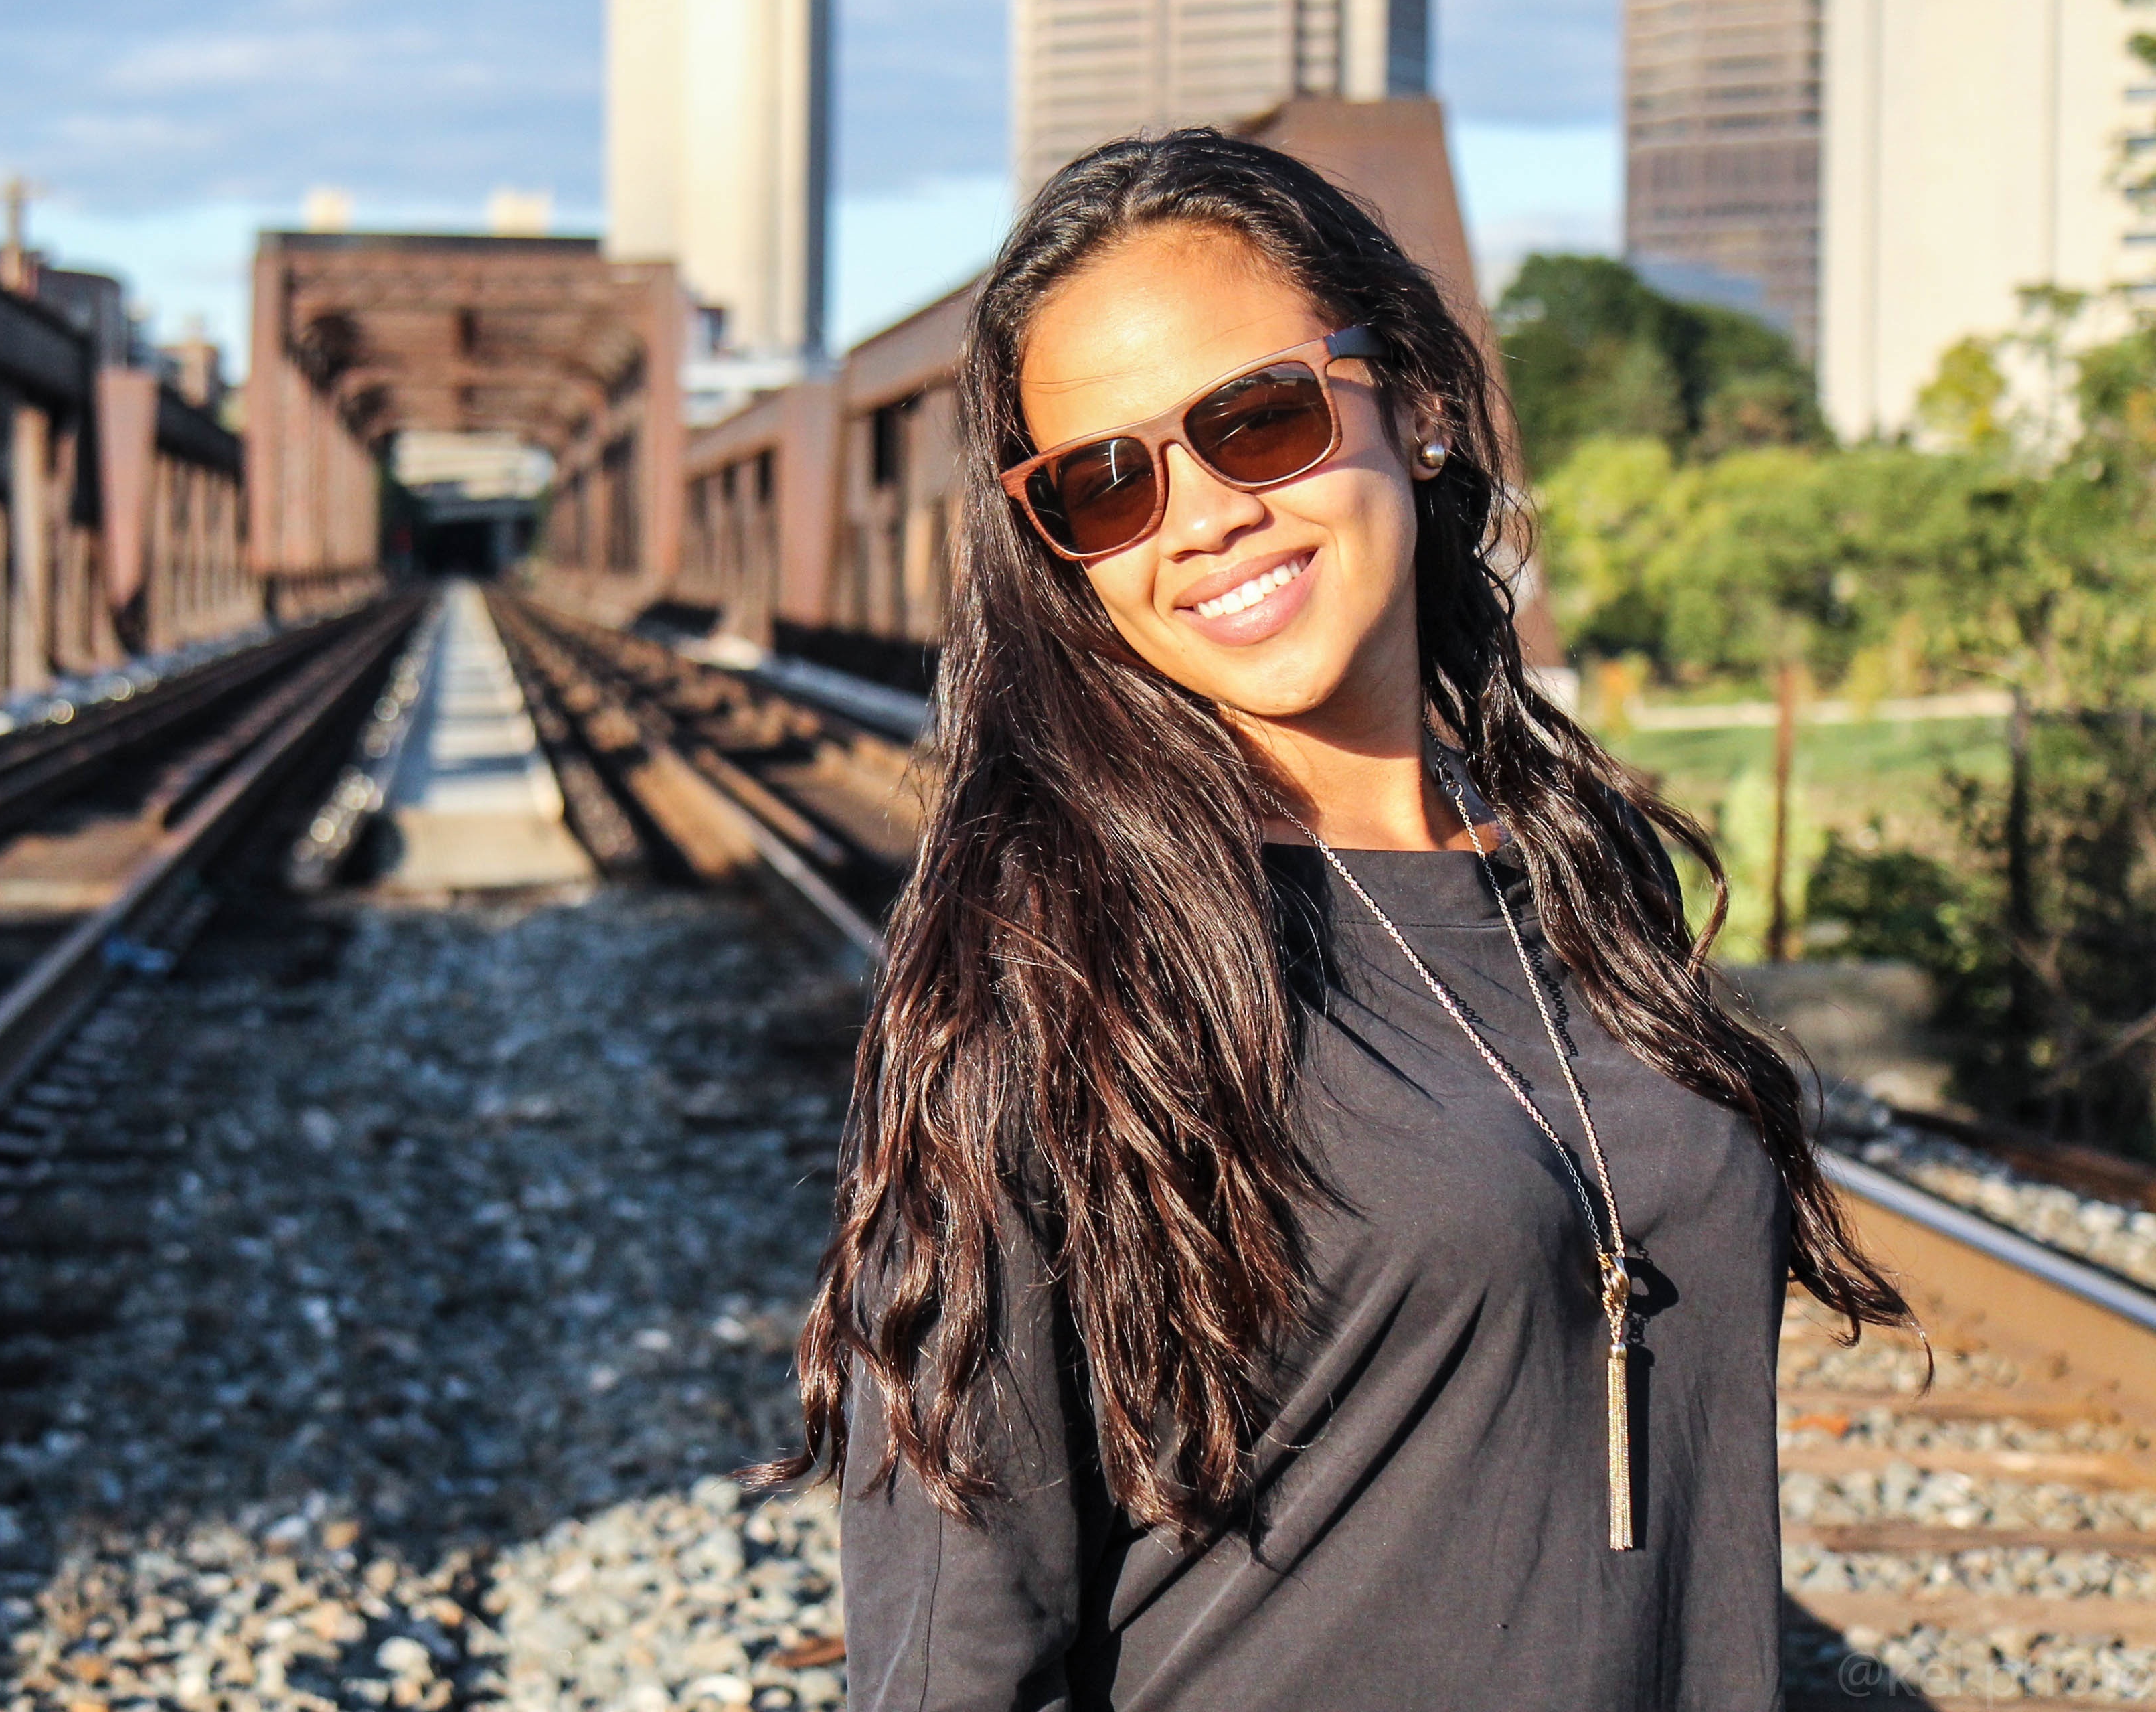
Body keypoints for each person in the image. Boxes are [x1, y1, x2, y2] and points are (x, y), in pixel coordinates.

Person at [772, 131, 1905, 1709]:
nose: (1201, 516)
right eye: (1105, 483)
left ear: (1421, 407)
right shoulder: (1050, 972)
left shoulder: (1592, 877)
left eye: (1260, 418)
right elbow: (962, 1638)